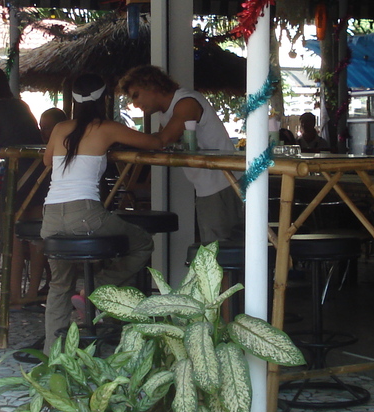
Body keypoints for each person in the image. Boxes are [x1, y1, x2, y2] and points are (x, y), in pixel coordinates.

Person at [40, 73, 164, 347]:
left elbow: (48, 159)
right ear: (105, 98)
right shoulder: (107, 128)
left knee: (59, 285)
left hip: (50, 218)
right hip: (85, 215)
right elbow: (155, 144)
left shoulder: (61, 128)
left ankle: (52, 353)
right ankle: (92, 290)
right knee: (142, 242)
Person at [117, 65, 244, 245]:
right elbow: (161, 142)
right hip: (210, 186)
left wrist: (119, 136)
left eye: (136, 95)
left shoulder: (186, 103)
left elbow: (162, 140)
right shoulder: (166, 112)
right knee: (215, 253)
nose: (135, 104)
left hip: (223, 183)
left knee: (218, 255)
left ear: (151, 86)